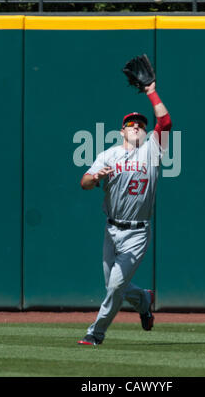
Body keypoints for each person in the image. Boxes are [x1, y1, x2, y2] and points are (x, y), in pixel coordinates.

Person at [78, 81, 172, 345]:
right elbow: (84, 182)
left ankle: (95, 334)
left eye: (141, 125)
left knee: (116, 286)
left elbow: (164, 122)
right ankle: (143, 299)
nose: (138, 127)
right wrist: (95, 177)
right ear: (122, 131)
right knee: (114, 286)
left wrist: (150, 92)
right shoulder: (108, 155)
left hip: (138, 232)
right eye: (132, 124)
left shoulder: (152, 151)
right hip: (111, 229)